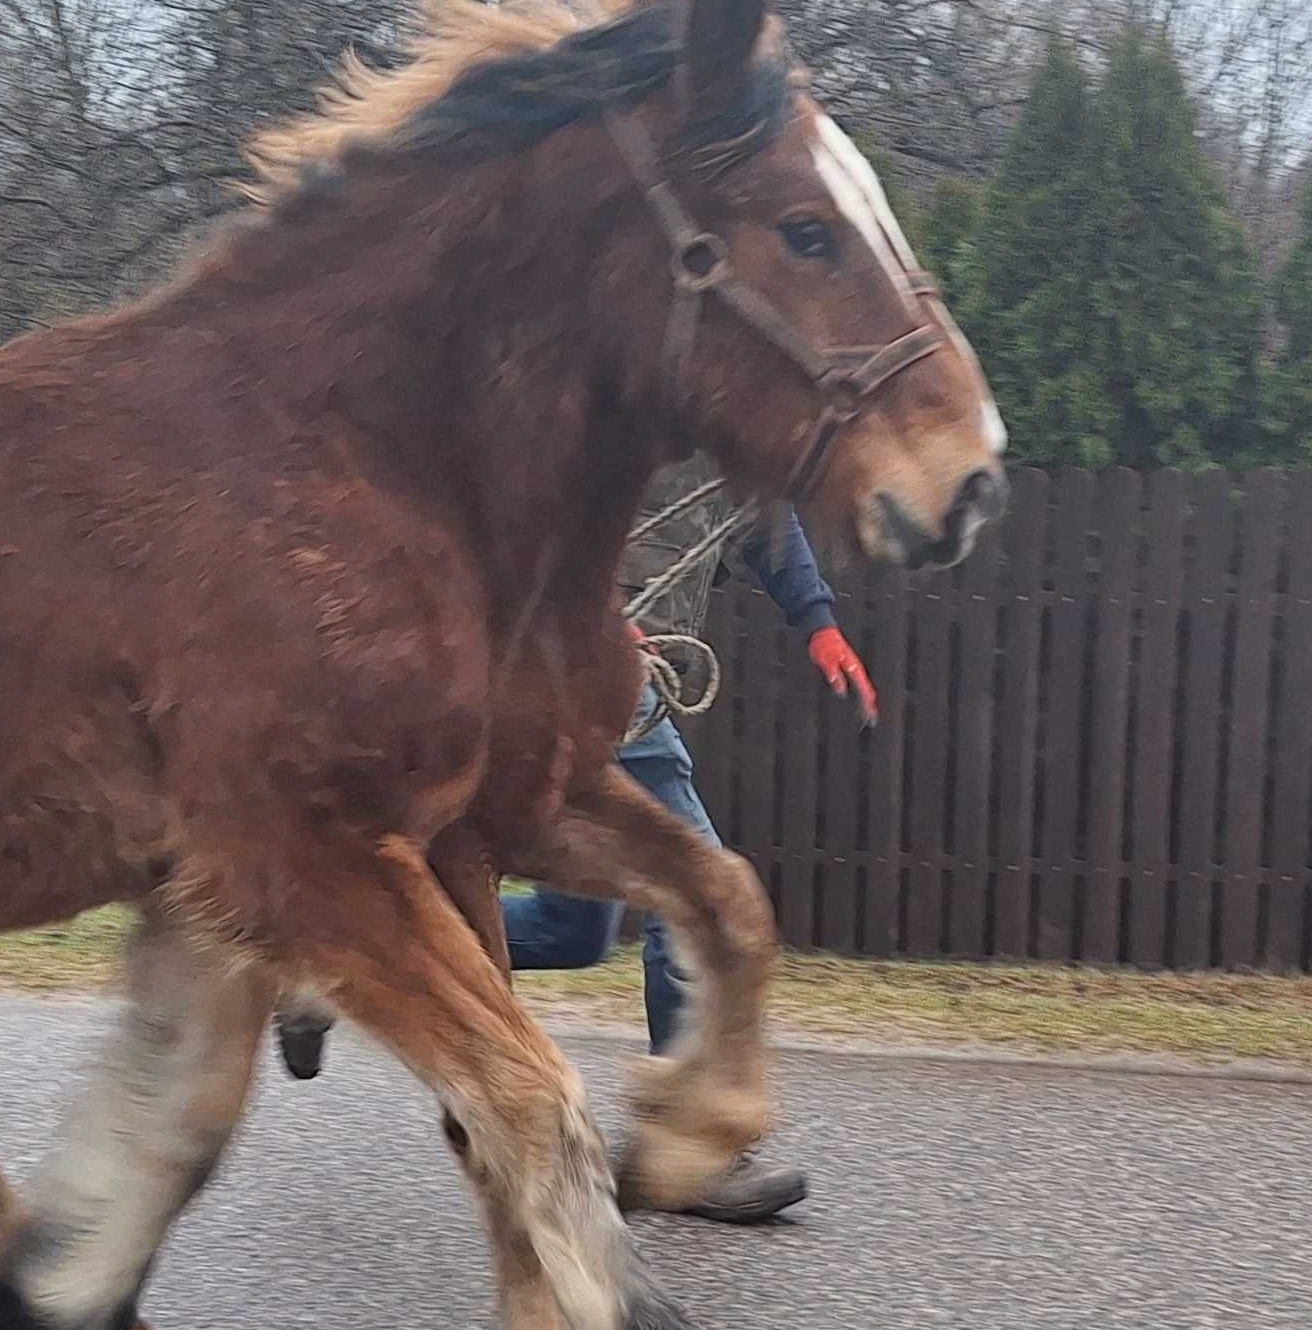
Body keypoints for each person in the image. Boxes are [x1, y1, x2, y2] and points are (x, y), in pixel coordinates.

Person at [273, 494, 874, 1228]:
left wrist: (818, 623)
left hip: (627, 681)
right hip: (564, 669)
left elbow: (762, 516)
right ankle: (693, 1148)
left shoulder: (731, 424)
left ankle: (335, 968)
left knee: (574, 934)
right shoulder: (622, 393)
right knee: (699, 895)